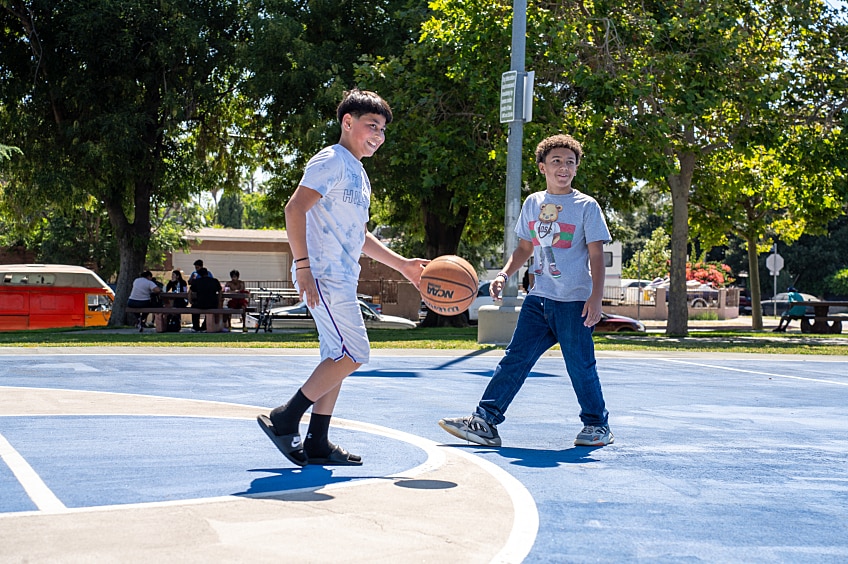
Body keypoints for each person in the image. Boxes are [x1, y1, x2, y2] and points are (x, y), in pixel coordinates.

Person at [257, 88, 427, 467]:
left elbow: (358, 234)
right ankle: (285, 417)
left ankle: (317, 441)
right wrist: (303, 267)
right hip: (323, 273)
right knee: (354, 352)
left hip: (340, 275)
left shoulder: (359, 174)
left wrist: (402, 264)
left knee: (337, 355)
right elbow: (294, 208)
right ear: (347, 123)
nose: (378, 136)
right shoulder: (331, 160)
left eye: (382, 129)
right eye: (371, 126)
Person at [438, 133, 615, 448]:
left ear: (576, 168)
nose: (564, 167)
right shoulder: (534, 203)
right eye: (556, 161)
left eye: (570, 162)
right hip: (538, 300)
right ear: (542, 166)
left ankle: (597, 426)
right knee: (514, 359)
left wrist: (596, 297)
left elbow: (597, 256)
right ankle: (486, 421)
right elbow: (524, 248)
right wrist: (504, 274)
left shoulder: (586, 206)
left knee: (580, 365)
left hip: (574, 301)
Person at [189, 267, 222, 331]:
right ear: (207, 273)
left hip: (200, 303)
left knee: (194, 308)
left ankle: (196, 327)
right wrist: (218, 300)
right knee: (210, 311)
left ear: (199, 274)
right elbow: (220, 291)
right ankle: (204, 326)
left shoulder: (197, 282)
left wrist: (190, 301)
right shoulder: (214, 281)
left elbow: (190, 292)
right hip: (213, 304)